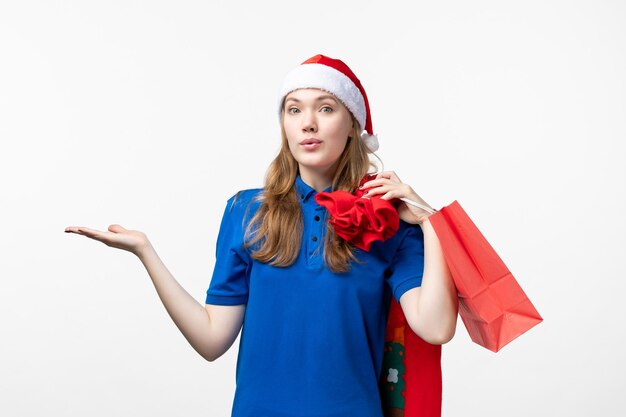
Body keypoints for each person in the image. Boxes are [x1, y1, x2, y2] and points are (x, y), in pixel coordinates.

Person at [65, 54, 459, 417]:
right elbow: (211, 340)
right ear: (284, 124)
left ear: (353, 127)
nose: (308, 122)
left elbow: (436, 327)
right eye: (294, 109)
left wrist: (428, 221)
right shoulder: (246, 212)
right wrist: (145, 251)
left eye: (325, 108)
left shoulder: (386, 222)